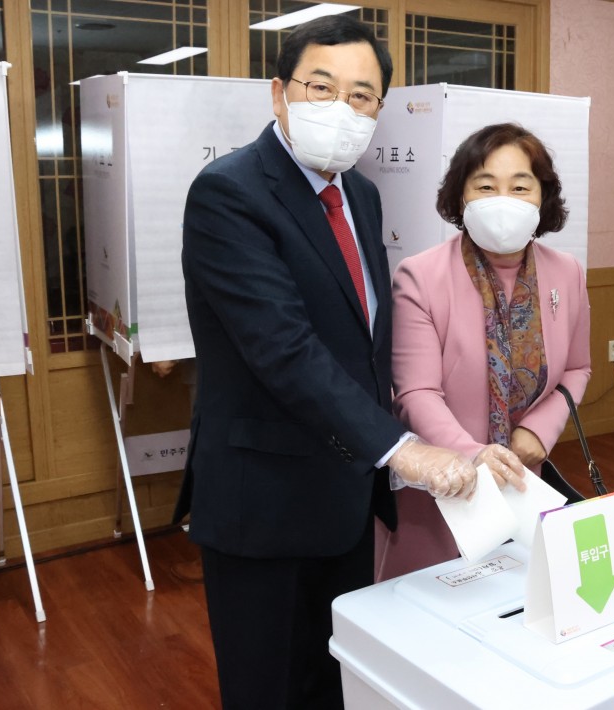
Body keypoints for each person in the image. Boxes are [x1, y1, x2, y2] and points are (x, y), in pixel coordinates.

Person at [173, 15, 478, 709]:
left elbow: (365, 339)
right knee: (268, 691)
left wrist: (442, 438)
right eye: (322, 86)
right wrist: (402, 450)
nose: (342, 109)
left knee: (334, 683)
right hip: (264, 502)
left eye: (362, 95)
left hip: (343, 496)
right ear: (280, 94)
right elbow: (285, 351)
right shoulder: (230, 194)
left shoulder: (359, 195)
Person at [375, 123, 592, 580]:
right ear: (460, 197)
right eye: (486, 186)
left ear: (542, 197)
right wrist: (472, 455)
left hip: (525, 481)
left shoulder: (567, 272)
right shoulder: (421, 275)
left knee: (521, 608)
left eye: (520, 186)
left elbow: (577, 368)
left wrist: (539, 431)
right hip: (443, 490)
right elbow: (415, 392)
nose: (504, 200)